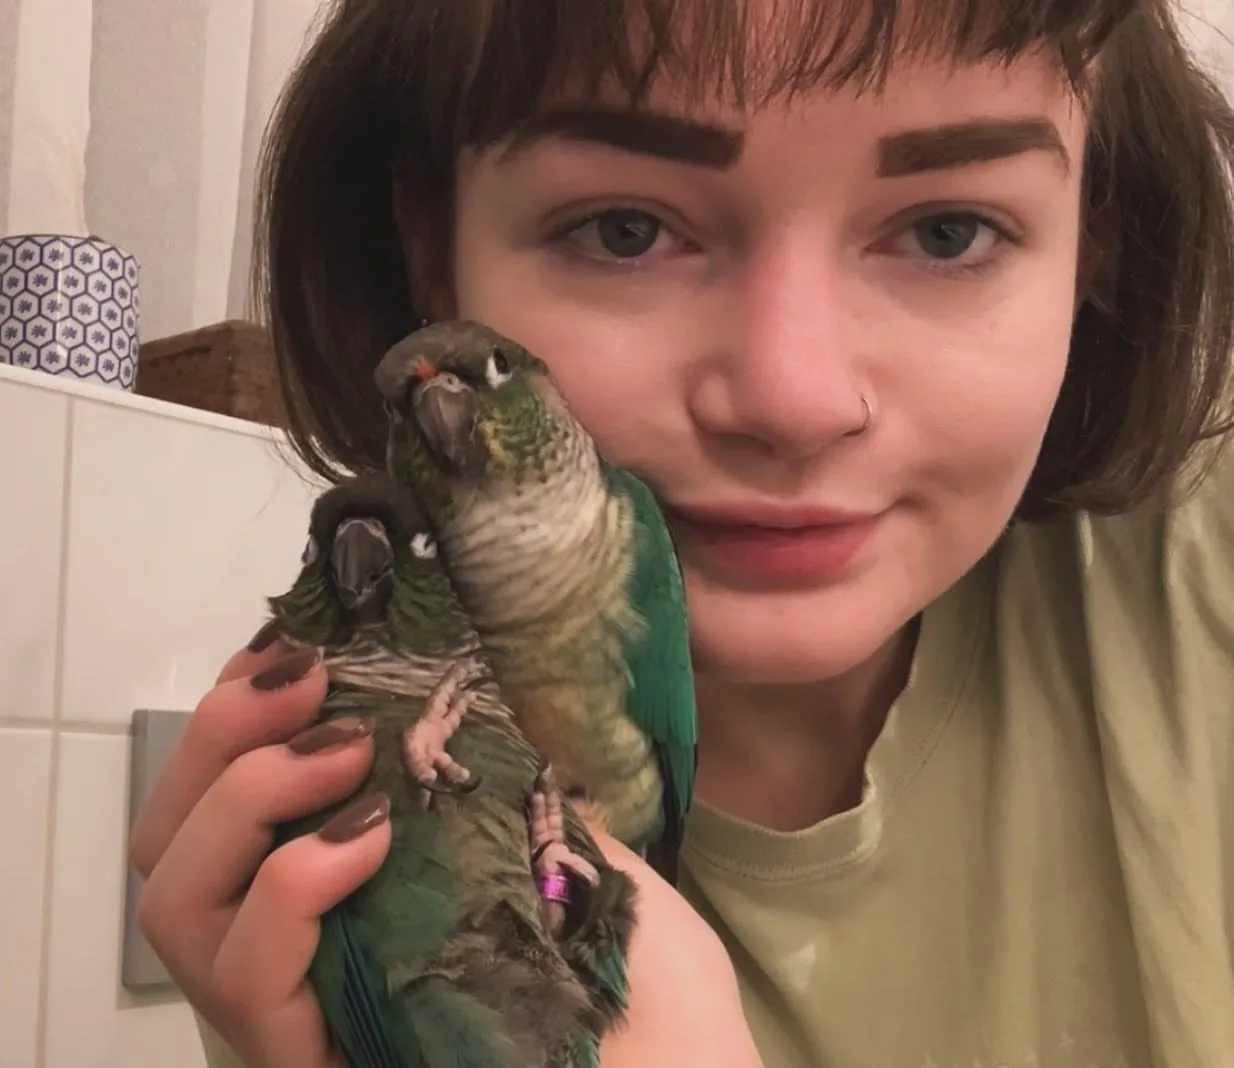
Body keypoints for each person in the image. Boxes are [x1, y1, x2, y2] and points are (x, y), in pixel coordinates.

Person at [128, 0, 1234, 1065]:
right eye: (626, 231)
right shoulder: (348, 821)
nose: (792, 398)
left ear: (1094, 250)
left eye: (949, 233)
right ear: (431, 251)